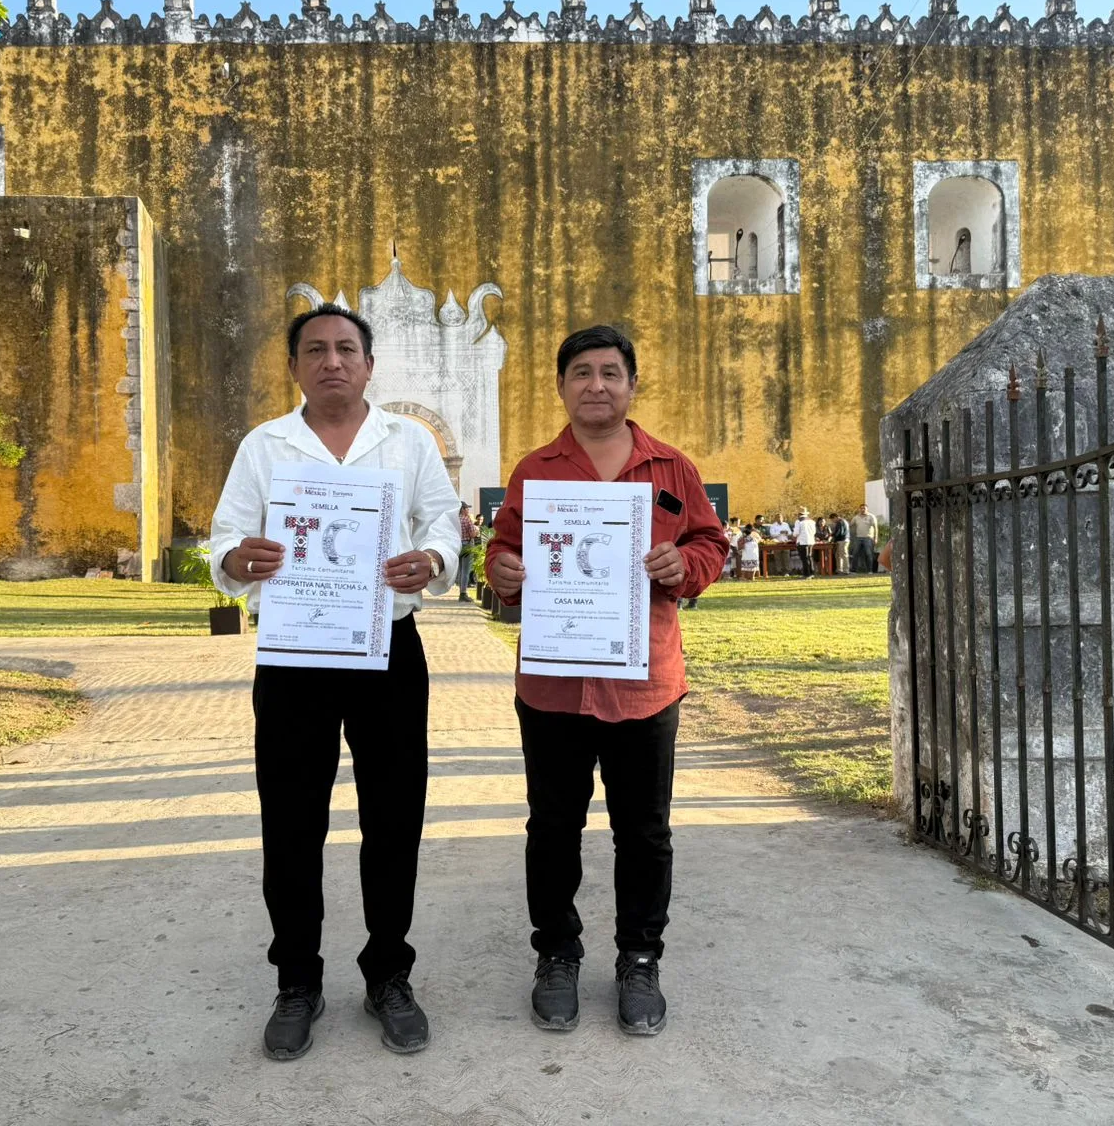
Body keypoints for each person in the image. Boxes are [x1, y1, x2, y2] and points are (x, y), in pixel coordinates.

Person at [209, 303, 461, 1061]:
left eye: (346, 349)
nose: (332, 362)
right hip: (294, 656)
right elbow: (225, 537)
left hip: (389, 649)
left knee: (393, 818)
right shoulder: (266, 446)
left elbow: (443, 522)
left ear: (369, 365)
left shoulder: (407, 442)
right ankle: (297, 980)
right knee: (290, 823)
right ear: (294, 368)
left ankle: (389, 972)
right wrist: (236, 561)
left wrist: (436, 562)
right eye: (314, 350)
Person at [484, 325, 729, 1038]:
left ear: (632, 385)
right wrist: (504, 573)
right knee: (553, 828)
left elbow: (709, 542)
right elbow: (503, 550)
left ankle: (639, 957)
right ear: (562, 387)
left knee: (644, 833)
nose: (597, 384)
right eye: (582, 373)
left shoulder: (672, 469)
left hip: (644, 682)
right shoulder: (535, 472)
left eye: (611, 372)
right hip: (554, 687)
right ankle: (556, 954)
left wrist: (688, 569)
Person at [457, 502, 479, 601]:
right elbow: (472, 534)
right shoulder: (467, 519)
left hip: (458, 545)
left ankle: (460, 590)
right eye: (466, 508)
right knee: (466, 571)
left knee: (461, 570)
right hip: (467, 545)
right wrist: (476, 531)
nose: (468, 510)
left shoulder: (456, 520)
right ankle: (463, 594)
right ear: (462, 509)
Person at [850, 504, 878, 573]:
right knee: (855, 553)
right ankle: (853, 570)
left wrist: (876, 538)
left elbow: (876, 527)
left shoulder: (871, 516)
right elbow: (850, 525)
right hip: (858, 538)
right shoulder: (856, 517)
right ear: (859, 509)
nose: (863, 510)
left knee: (869, 554)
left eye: (864, 508)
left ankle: (870, 570)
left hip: (868, 538)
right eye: (861, 508)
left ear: (867, 509)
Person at [792, 506, 816, 578]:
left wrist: (793, 535)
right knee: (809, 557)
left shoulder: (799, 521)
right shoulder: (812, 521)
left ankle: (806, 574)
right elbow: (814, 532)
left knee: (804, 558)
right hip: (811, 541)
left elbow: (796, 533)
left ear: (799, 514)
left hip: (802, 541)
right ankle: (812, 573)